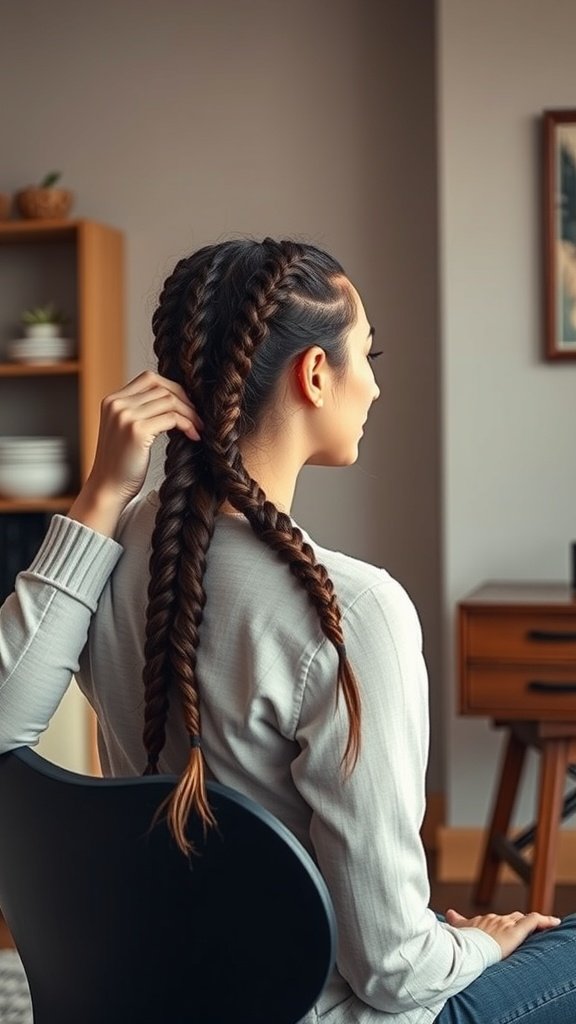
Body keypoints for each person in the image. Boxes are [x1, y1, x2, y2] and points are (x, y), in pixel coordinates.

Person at [0, 237, 575, 1024]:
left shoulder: (120, 544)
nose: (374, 384)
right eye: (366, 355)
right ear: (314, 374)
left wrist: (101, 494)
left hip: (161, 990)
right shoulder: (353, 614)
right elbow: (394, 974)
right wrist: (483, 941)